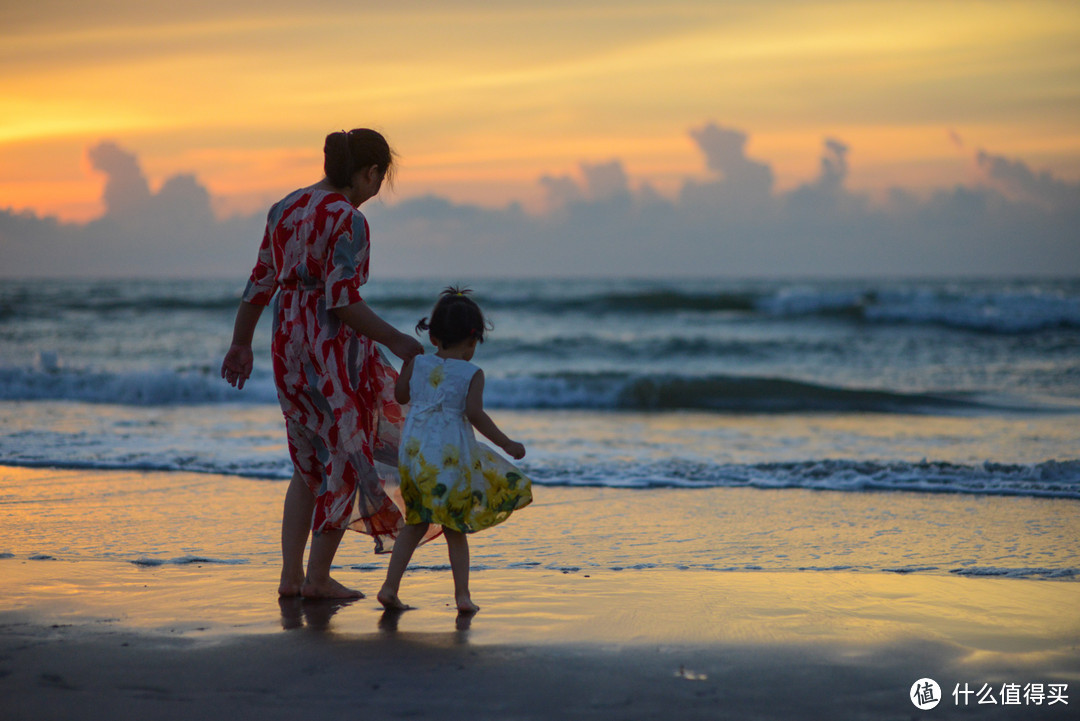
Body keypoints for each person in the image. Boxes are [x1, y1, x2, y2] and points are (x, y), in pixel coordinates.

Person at [221, 128, 433, 600]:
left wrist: (240, 343)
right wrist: (397, 339)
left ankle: (291, 576)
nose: (377, 190)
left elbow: (259, 284)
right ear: (369, 173)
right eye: (380, 178)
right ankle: (317, 579)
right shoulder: (348, 219)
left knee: (307, 464)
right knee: (343, 458)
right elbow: (340, 302)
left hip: (286, 345)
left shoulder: (285, 208)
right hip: (331, 349)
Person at [377, 287, 533, 613]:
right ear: (473, 341)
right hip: (450, 458)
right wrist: (506, 443)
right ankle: (463, 596)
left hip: (415, 456)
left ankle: (389, 588)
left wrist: (408, 368)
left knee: (415, 522)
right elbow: (475, 414)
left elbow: (402, 397)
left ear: (433, 336)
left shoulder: (417, 363)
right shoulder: (472, 373)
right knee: (455, 527)